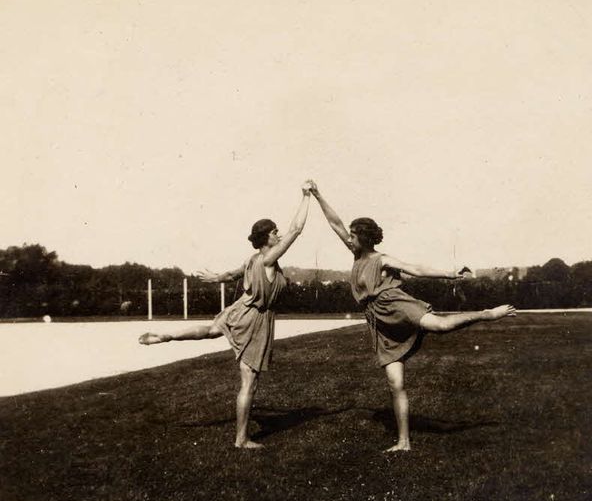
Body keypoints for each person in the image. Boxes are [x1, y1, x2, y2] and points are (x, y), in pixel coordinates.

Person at [308, 181, 516, 452]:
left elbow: (414, 269)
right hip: (378, 321)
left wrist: (450, 274)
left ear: (364, 239)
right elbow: (335, 223)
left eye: (353, 235)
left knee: (440, 325)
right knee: (396, 383)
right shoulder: (355, 254)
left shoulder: (381, 259)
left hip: (394, 304)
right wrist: (318, 194)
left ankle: (487, 314)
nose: (348, 238)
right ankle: (403, 441)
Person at [138, 182, 313, 448]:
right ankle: (241, 439)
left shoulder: (252, 260)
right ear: (266, 238)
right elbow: (297, 229)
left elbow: (232, 275)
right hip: (255, 319)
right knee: (249, 383)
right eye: (275, 232)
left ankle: (166, 335)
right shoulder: (267, 259)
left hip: (240, 308)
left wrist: (214, 277)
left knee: (210, 330)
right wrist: (305, 197)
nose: (279, 235)